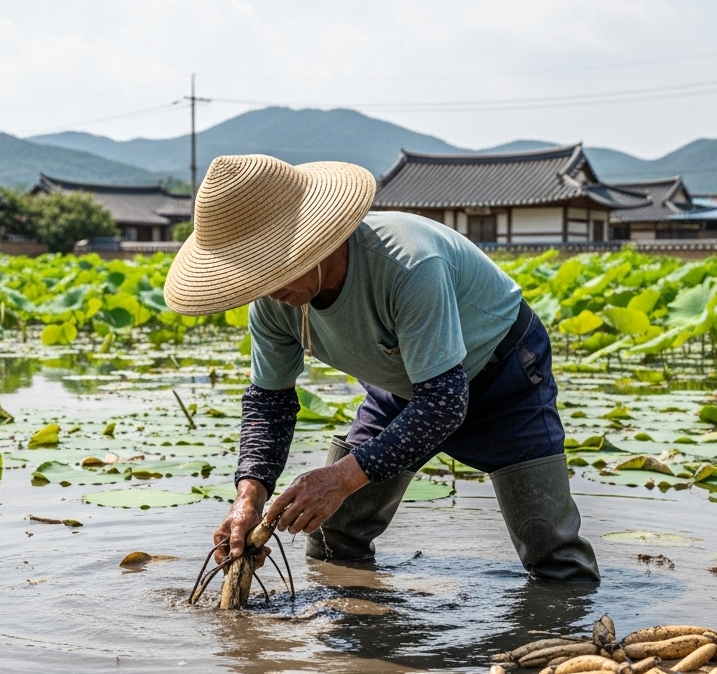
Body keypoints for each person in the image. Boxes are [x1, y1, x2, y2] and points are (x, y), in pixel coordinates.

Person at [164, 154, 599, 583]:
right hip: (403, 386)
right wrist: (249, 497)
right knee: (335, 533)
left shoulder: (408, 264)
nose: (270, 289)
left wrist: (339, 477)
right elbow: (269, 403)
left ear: (318, 241)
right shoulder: (274, 303)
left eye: (276, 269)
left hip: (502, 375)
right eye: (256, 277)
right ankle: (362, 637)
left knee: (553, 553)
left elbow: (444, 404)